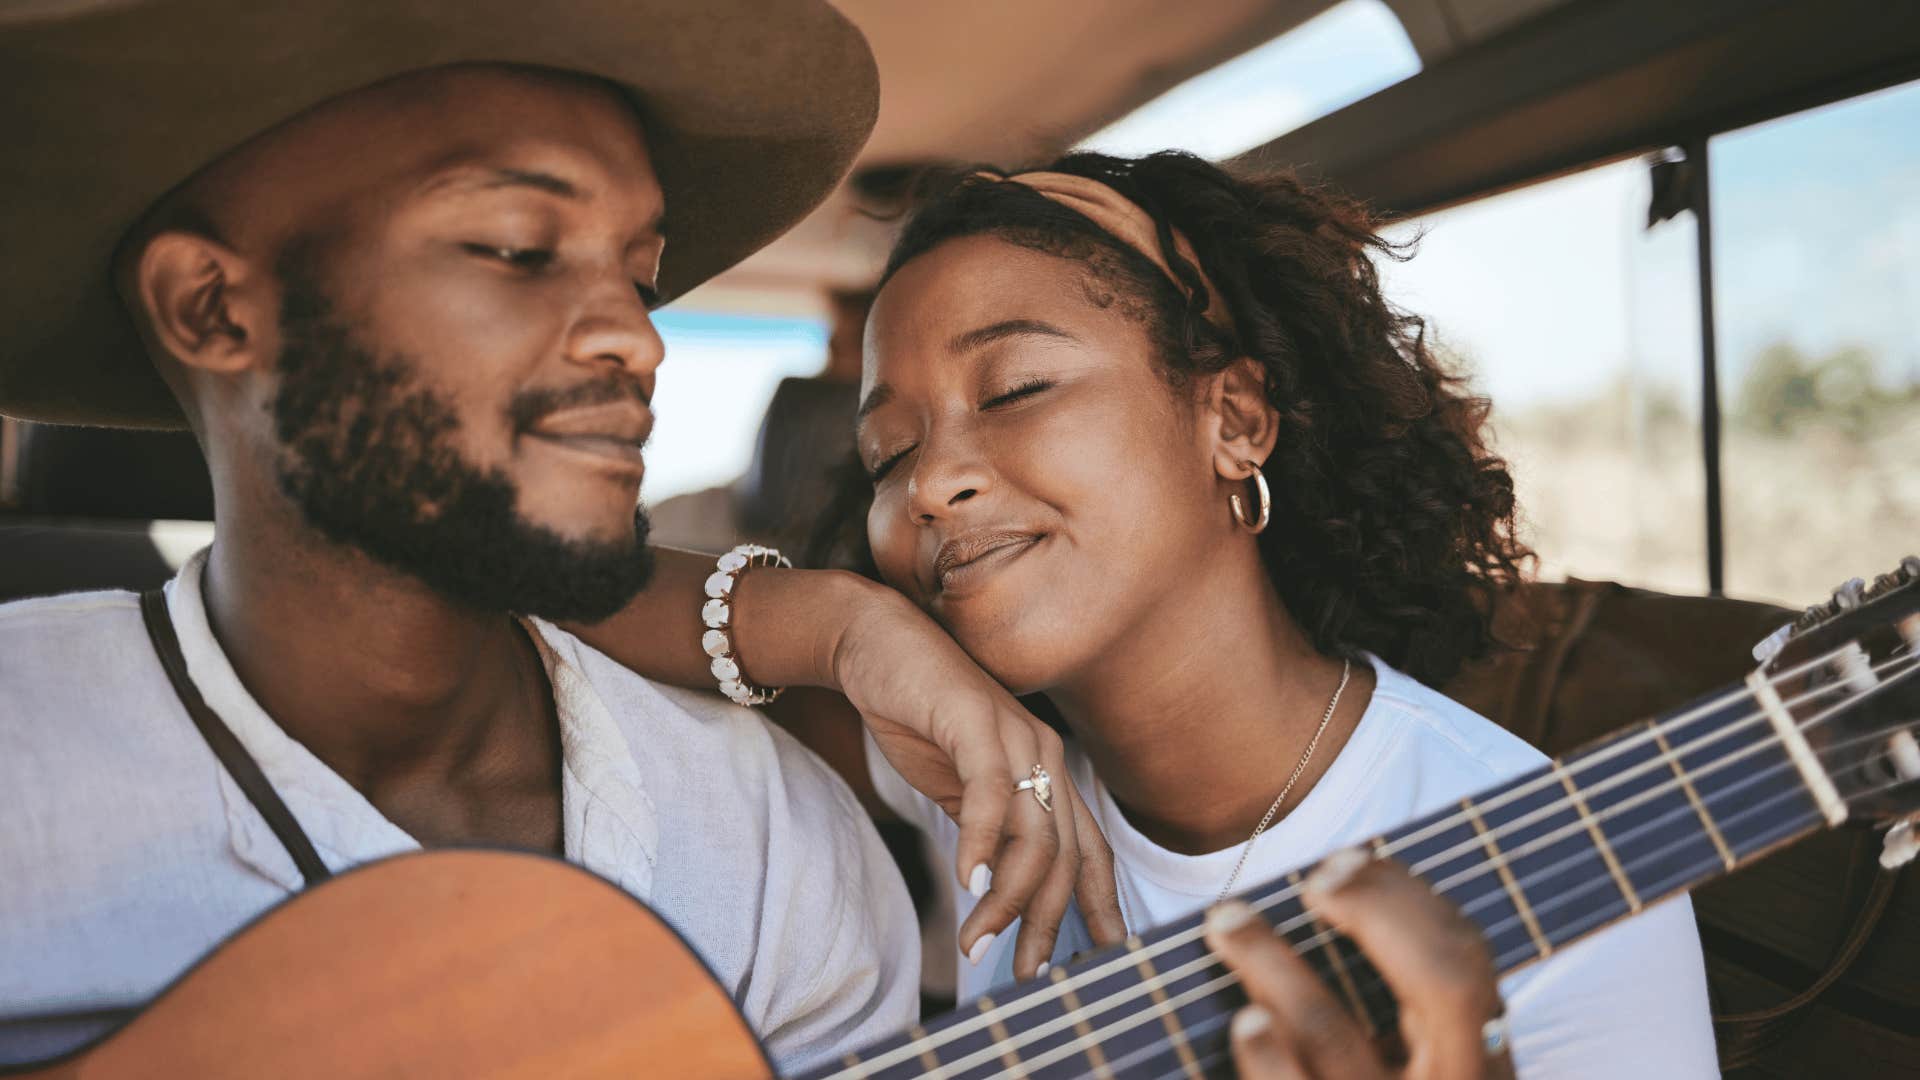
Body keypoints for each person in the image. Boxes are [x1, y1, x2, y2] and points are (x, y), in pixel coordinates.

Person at [0, 3, 1119, 1070]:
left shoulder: (773, 849)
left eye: (640, 274)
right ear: (212, 308)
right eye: (517, 247)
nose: (635, 336)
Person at [585, 153, 1723, 1077]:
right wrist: (843, 627)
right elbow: (534, 591)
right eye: (890, 450)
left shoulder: (1560, 876)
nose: (930, 484)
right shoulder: (969, 771)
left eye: (1018, 388)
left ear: (1233, 419)